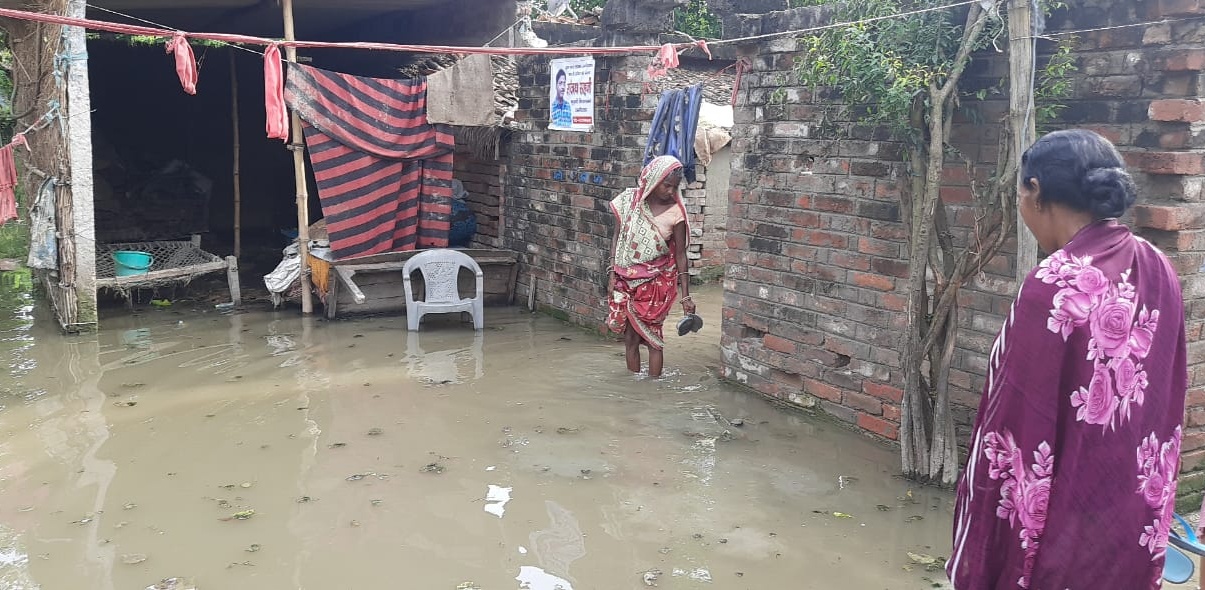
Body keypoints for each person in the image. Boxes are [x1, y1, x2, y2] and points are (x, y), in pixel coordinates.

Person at [947, 129, 1188, 589]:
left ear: (1035, 191)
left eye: (1019, 193)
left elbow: (1013, 431)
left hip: (1062, 524)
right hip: (1128, 508)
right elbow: (1167, 393)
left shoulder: (1054, 284)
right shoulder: (1159, 265)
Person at [606, 155, 696, 378]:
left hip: (656, 285)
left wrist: (686, 296)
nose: (670, 191)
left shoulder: (676, 214)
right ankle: (634, 390)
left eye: (674, 187)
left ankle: (653, 389)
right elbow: (616, 239)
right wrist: (611, 275)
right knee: (630, 338)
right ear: (654, 180)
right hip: (625, 280)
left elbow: (681, 255)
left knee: (654, 339)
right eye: (666, 185)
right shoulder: (629, 203)